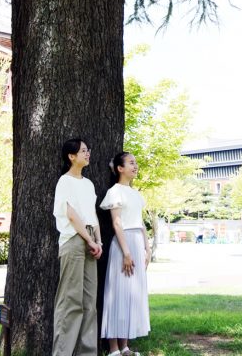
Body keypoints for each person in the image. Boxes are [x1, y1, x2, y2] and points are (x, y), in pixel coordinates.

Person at [52, 138, 103, 356]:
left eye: (87, 149)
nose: (87, 153)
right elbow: (71, 214)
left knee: (90, 303)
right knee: (71, 300)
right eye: (83, 150)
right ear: (71, 156)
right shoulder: (65, 181)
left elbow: (92, 215)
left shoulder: (88, 184)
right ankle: (62, 352)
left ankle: (87, 353)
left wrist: (98, 241)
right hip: (74, 239)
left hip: (91, 237)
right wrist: (90, 240)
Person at [100, 152, 151, 356]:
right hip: (123, 245)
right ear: (120, 168)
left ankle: (125, 346)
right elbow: (117, 223)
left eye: (136, 162)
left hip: (138, 243)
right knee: (117, 294)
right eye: (131, 163)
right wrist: (127, 252)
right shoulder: (115, 192)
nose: (135, 166)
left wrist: (147, 249)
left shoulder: (136, 194)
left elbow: (140, 224)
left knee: (131, 294)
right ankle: (113, 349)